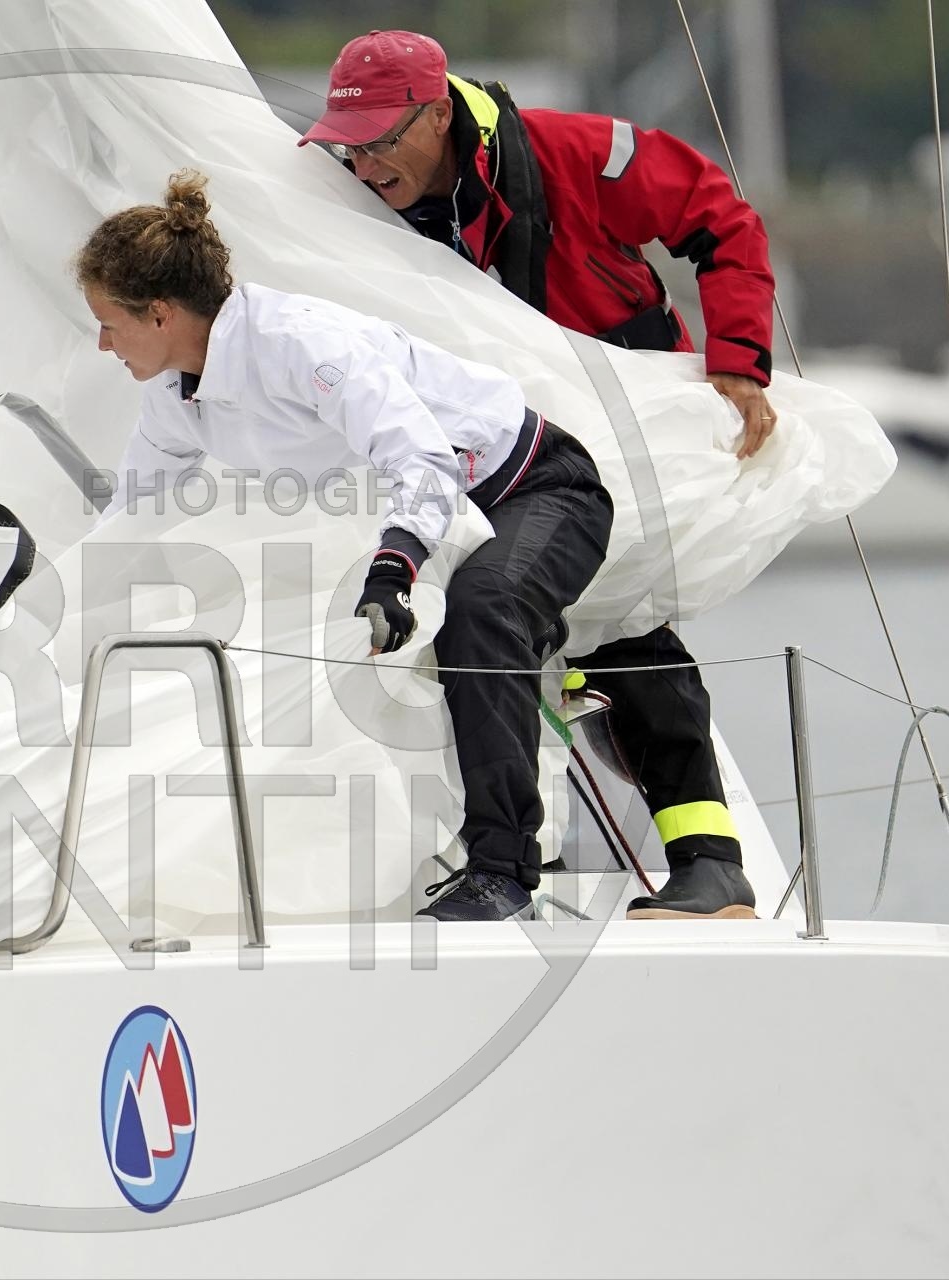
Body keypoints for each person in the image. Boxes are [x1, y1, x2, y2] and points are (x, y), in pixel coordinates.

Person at [300, 30, 767, 920]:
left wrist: (740, 357)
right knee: (532, 619)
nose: (361, 165)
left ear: (436, 115)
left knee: (621, 625)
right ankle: (616, 860)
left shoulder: (572, 153)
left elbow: (718, 214)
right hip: (494, 444)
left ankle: (698, 864)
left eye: (378, 141)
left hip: (622, 425)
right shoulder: (354, 197)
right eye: (345, 146)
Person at [78, 169, 614, 922]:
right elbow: (129, 516)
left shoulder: (299, 345)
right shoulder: (176, 396)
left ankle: (503, 869)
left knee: (482, 606)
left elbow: (420, 457)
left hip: (535, 488)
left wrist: (393, 569)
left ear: (161, 313)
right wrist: (53, 600)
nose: (103, 343)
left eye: (109, 323)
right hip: (432, 516)